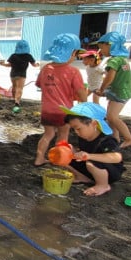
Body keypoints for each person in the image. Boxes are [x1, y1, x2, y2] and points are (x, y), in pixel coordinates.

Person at [34, 33, 88, 166]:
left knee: (47, 134)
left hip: (47, 109)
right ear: (72, 53)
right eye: (76, 54)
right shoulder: (73, 71)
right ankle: (60, 161)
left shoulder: (46, 68)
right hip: (64, 111)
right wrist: (86, 105)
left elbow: (39, 84)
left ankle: (39, 158)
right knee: (63, 136)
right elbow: (81, 92)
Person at [61, 102, 124, 196]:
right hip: (90, 167)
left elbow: (116, 157)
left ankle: (103, 185)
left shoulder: (107, 140)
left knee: (91, 162)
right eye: (73, 129)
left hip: (109, 173)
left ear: (94, 123)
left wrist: (89, 156)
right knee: (65, 155)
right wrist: (73, 152)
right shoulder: (83, 136)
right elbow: (84, 154)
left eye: (78, 128)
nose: (76, 132)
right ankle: (82, 177)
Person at [96, 32, 131, 149]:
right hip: (119, 91)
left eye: (101, 48)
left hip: (120, 92)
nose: (101, 51)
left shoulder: (114, 61)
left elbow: (110, 77)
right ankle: (115, 138)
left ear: (110, 45)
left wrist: (101, 89)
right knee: (109, 117)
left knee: (113, 117)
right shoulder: (122, 59)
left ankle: (129, 139)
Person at [0, 40, 39, 106]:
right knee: (19, 88)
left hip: (13, 74)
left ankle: (13, 98)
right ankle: (17, 101)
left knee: (14, 87)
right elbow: (34, 65)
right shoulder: (28, 56)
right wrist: (38, 64)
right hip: (22, 75)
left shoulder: (13, 56)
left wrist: (2, 64)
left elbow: (9, 65)